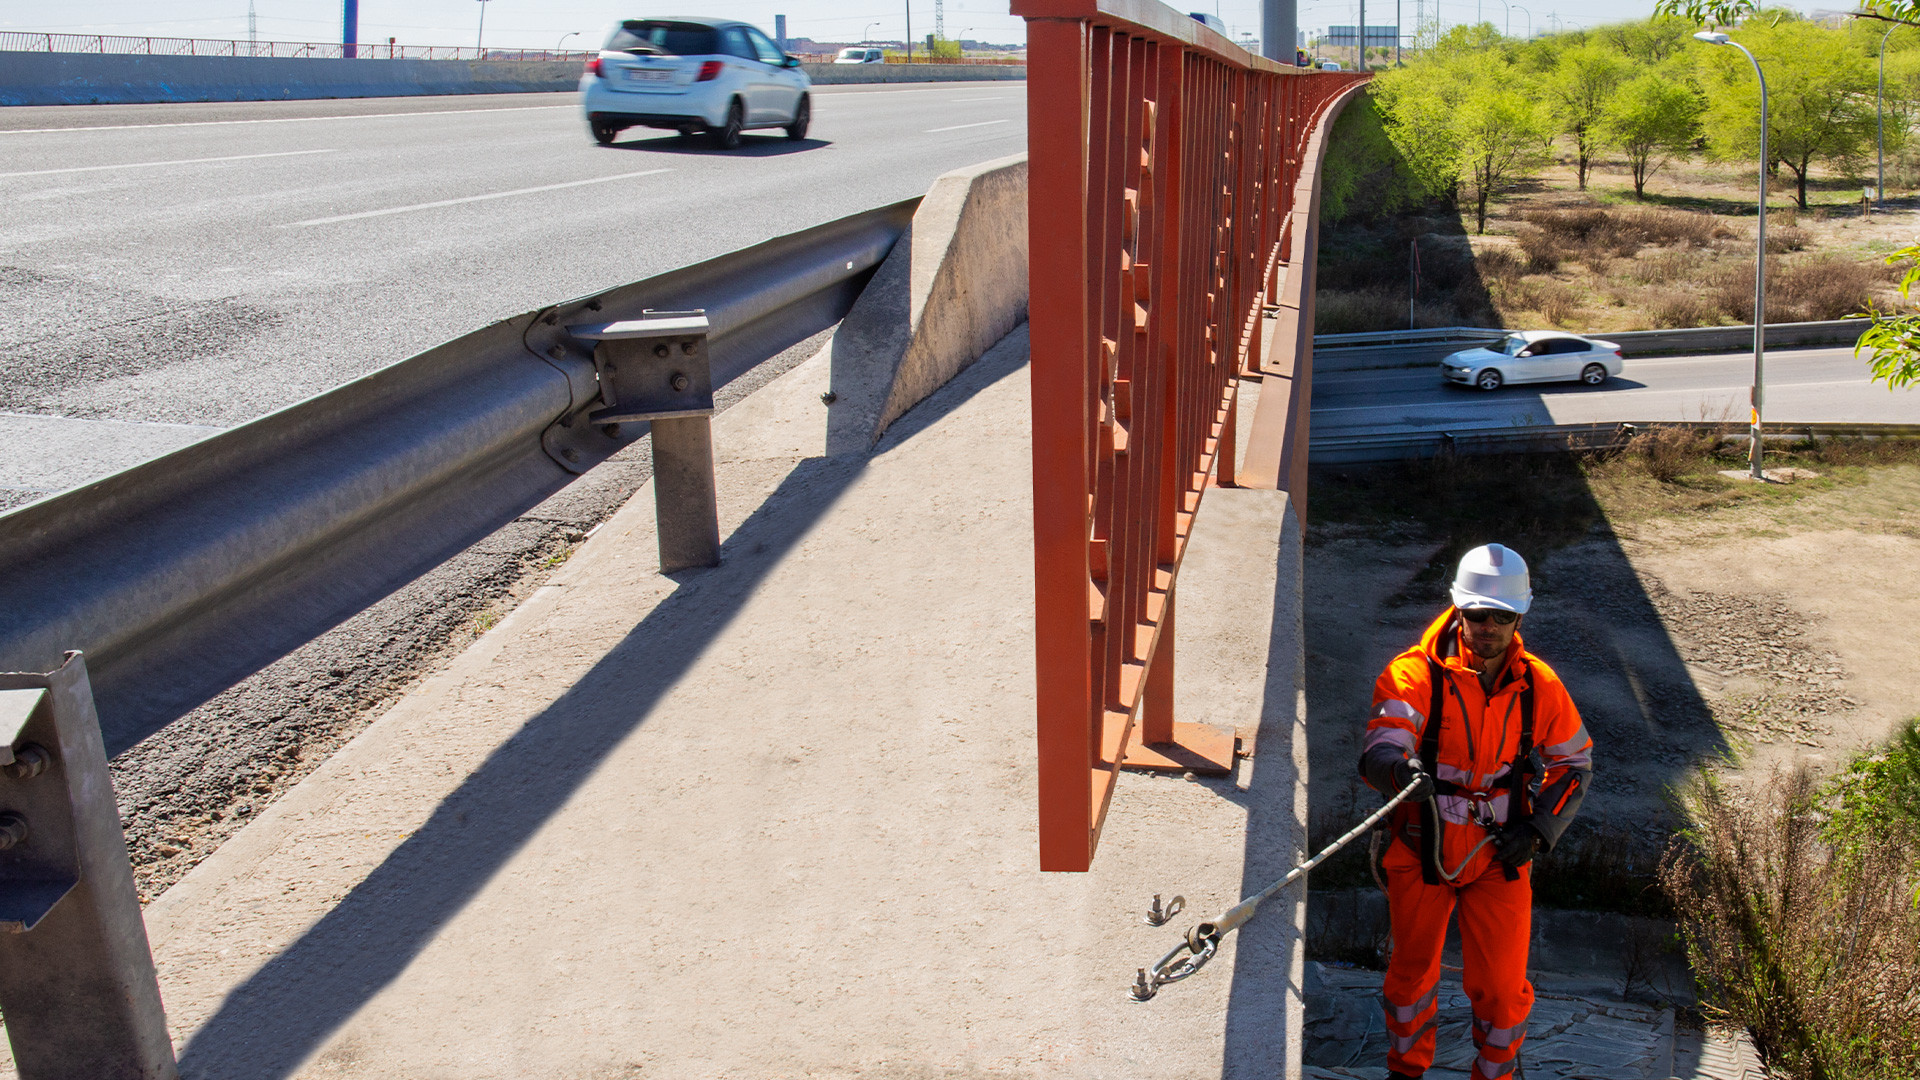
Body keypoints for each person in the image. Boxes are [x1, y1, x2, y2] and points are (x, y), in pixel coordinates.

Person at [1358, 543, 1593, 1080]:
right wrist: (1399, 770)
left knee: (1503, 988)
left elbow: (1575, 763)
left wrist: (1537, 830)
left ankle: (1496, 1075)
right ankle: (1406, 1071)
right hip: (1423, 847)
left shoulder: (1539, 686)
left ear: (1519, 617)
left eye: (1501, 616)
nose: (1487, 625)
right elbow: (1382, 743)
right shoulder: (1414, 674)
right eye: (1477, 614)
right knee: (1412, 975)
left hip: (1499, 851)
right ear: (1458, 609)